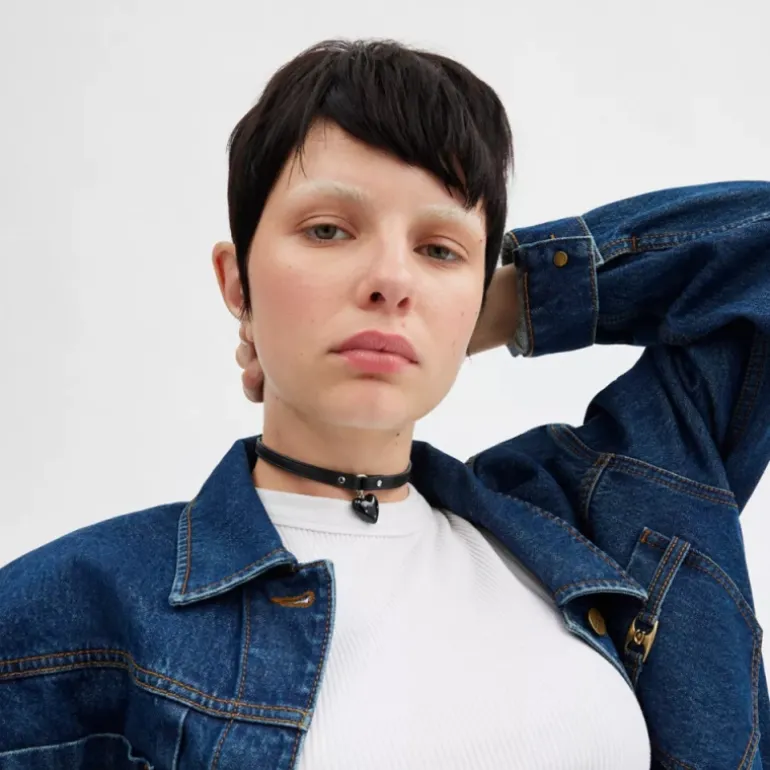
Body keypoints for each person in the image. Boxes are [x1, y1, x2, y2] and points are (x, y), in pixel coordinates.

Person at [0, 37, 768, 770]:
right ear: (237, 283)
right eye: (328, 230)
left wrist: (514, 303)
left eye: (439, 250)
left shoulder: (599, 520)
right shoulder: (79, 606)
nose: (392, 280)